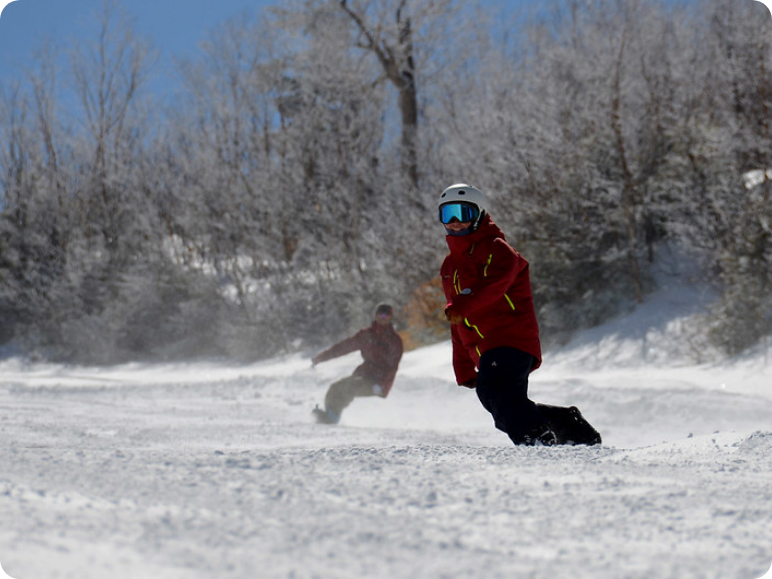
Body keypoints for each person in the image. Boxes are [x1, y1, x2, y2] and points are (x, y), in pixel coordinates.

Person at [437, 183, 601, 446]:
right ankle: (571, 429)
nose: (455, 222)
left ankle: (536, 438)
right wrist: (463, 366)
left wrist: (462, 306)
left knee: (495, 392)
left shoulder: (497, 249)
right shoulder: (449, 267)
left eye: (462, 212)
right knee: (502, 402)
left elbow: (494, 286)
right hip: (486, 348)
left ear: (479, 214)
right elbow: (457, 321)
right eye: (448, 215)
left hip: (511, 338)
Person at [311, 304, 404, 424]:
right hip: (364, 375)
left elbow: (392, 367)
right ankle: (331, 416)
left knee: (348, 388)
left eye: (386, 315)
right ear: (375, 316)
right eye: (380, 314)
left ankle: (330, 418)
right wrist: (321, 358)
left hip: (379, 382)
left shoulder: (395, 341)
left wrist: (381, 385)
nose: (383, 317)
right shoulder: (366, 335)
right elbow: (344, 347)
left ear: (391, 317)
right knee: (335, 388)